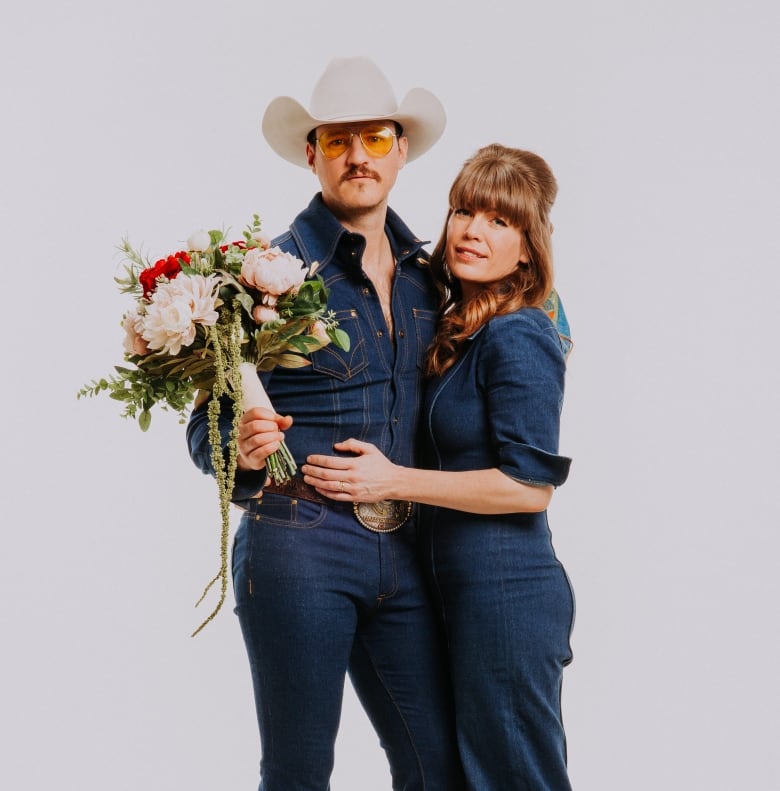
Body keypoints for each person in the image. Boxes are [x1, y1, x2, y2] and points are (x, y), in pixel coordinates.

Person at [186, 56, 465, 790]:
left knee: (437, 764)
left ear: (401, 150)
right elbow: (205, 427)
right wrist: (243, 453)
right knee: (301, 771)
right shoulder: (266, 274)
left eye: (374, 138)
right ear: (312, 154)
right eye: (338, 140)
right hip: (299, 546)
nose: (357, 157)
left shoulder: (426, 279)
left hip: (405, 549)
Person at [302, 144, 575, 790]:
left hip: (507, 596)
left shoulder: (520, 333)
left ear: (529, 249)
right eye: (463, 211)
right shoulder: (467, 326)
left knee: (516, 776)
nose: (472, 231)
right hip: (461, 595)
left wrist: (392, 481)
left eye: (500, 221)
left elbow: (529, 487)